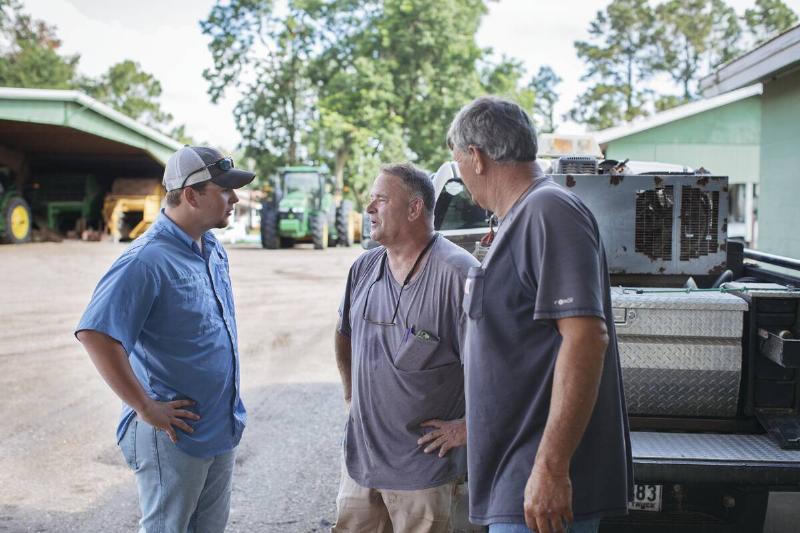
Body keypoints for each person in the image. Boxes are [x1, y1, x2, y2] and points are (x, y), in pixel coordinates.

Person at [447, 97, 633, 533]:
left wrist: (550, 469)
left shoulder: (548, 210)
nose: (459, 174)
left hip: (536, 480)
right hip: (516, 478)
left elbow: (587, 337)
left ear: (476, 156)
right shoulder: (523, 214)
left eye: (456, 161)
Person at [75, 146, 255, 533]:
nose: (235, 198)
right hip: (173, 435)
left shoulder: (211, 248)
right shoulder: (146, 260)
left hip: (217, 426)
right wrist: (145, 407)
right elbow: (96, 333)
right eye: (224, 189)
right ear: (191, 195)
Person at [333, 163, 479, 532]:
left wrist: (468, 427)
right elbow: (344, 332)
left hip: (425, 473)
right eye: (370, 200)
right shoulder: (364, 268)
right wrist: (352, 396)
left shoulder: (459, 274)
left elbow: (499, 369)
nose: (369, 209)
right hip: (360, 467)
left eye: (380, 200)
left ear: (415, 209)